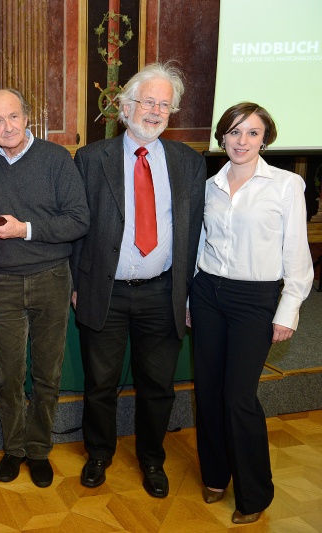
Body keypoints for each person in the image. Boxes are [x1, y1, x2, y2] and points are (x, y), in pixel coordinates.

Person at [70, 62, 206, 499]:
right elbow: (76, 226)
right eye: (148, 101)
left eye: (165, 105)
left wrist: (188, 293)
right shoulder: (91, 158)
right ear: (126, 107)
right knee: (101, 383)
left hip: (163, 292)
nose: (155, 111)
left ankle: (152, 458)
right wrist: (76, 283)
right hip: (104, 291)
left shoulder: (189, 162)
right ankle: (98, 454)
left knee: (158, 386)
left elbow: (196, 230)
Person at [0, 89, 89, 488]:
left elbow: (79, 220)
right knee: (8, 374)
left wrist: (24, 230)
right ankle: (14, 449)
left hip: (52, 277)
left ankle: (40, 449)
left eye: (13, 116)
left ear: (27, 117)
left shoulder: (55, 159)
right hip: (1, 281)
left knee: (47, 373)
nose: (7, 126)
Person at [190, 103, 313, 524]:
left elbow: (297, 254)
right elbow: (200, 246)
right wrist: (191, 299)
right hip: (207, 294)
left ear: (265, 139)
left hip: (255, 300)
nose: (243, 141)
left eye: (253, 133)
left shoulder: (285, 185)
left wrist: (288, 310)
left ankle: (254, 493)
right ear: (222, 137)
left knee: (238, 397)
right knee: (207, 390)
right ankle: (214, 474)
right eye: (235, 132)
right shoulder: (209, 185)